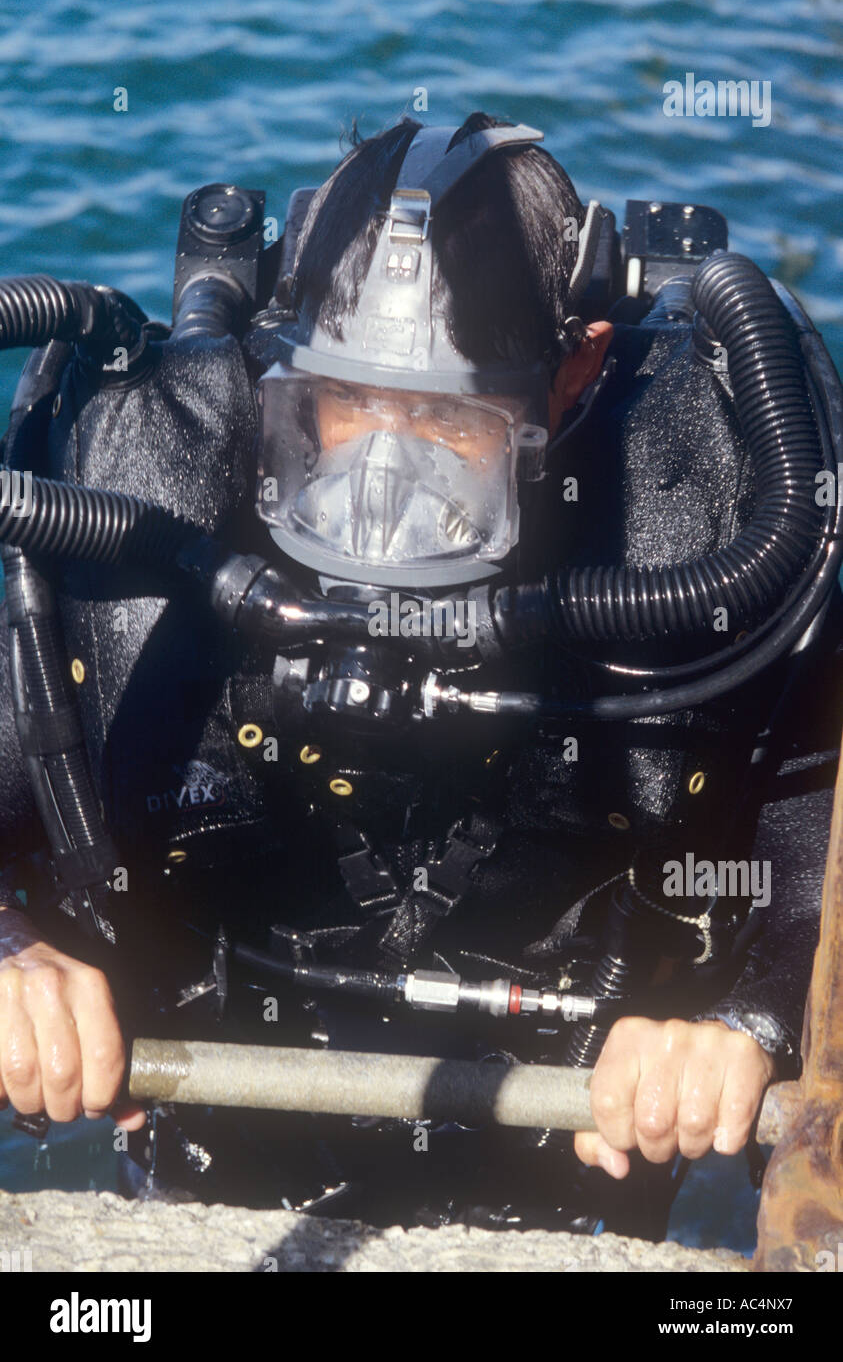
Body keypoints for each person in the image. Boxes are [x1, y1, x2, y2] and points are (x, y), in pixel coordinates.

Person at [0, 112, 839, 1231]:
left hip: (583, 1147)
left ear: (576, 367)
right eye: (341, 410)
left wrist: (748, 1017)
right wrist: (13, 954)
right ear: (276, 365)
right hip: (210, 1134)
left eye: (446, 428)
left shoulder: (701, 526)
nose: (380, 494)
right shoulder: (150, 490)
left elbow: (809, 822)